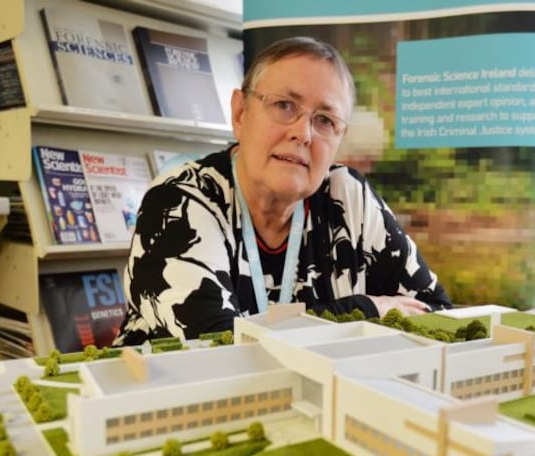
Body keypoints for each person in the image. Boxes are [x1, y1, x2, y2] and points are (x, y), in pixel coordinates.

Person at [114, 37, 450, 345]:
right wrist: (366, 309)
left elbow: (435, 311)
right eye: (284, 106)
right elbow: (218, 344)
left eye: (325, 120)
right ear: (240, 113)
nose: (303, 133)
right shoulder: (179, 200)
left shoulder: (348, 196)